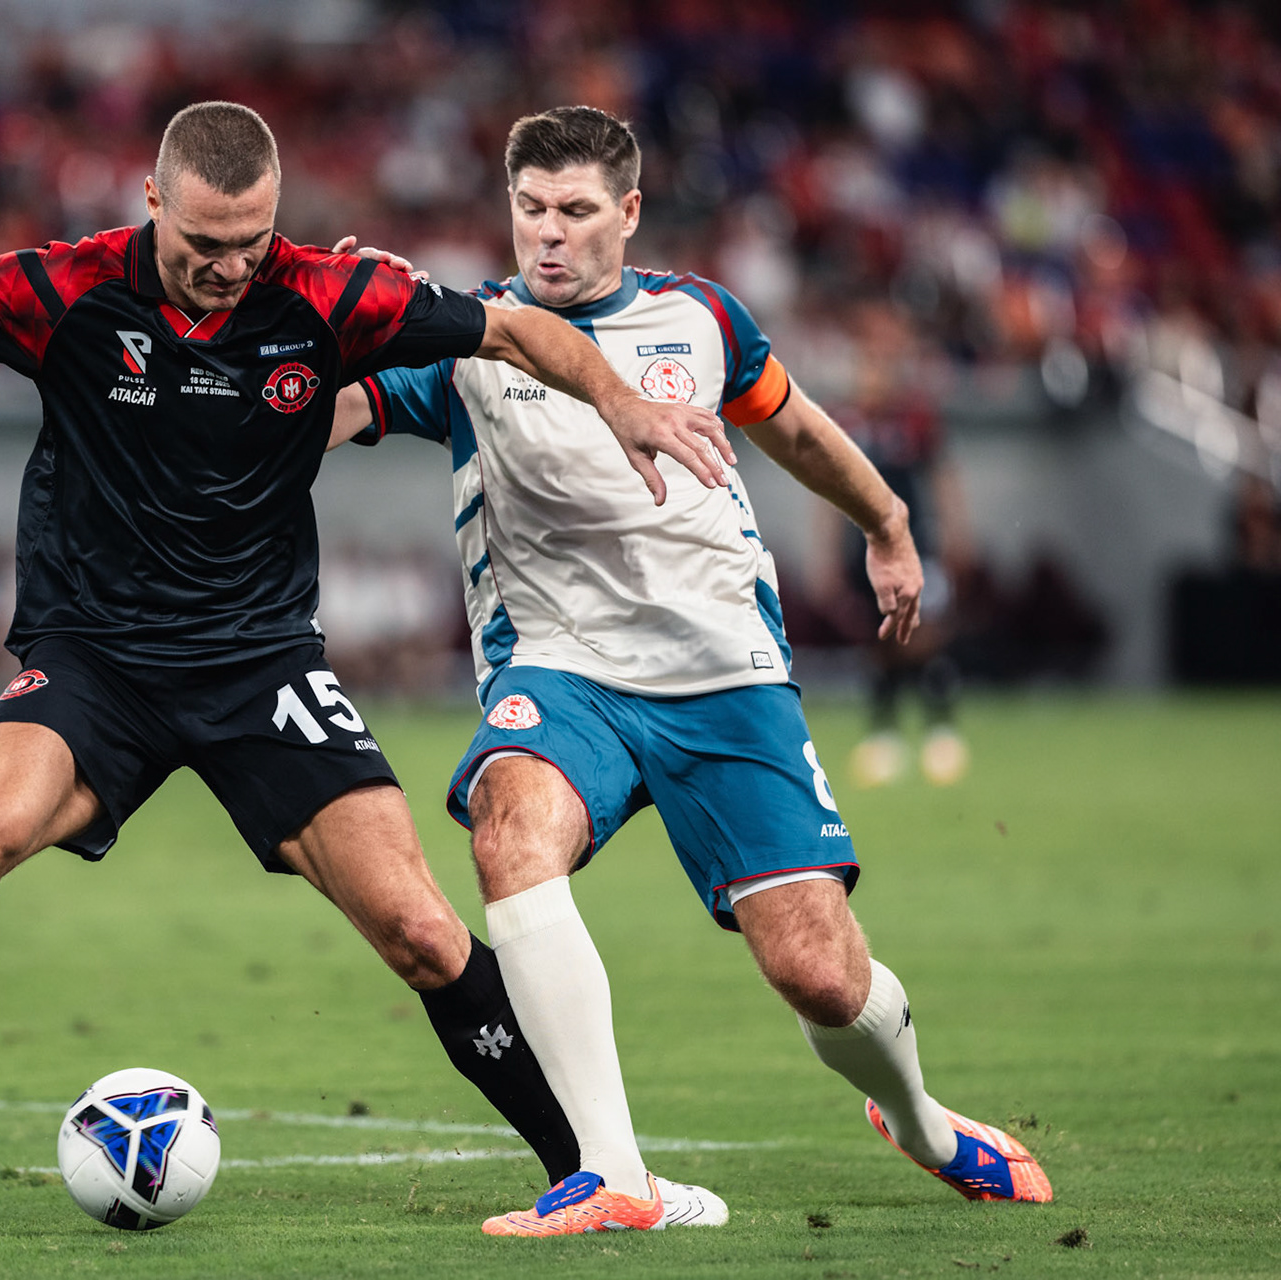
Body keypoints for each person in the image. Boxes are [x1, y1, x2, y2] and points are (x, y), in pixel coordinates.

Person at [0, 101, 738, 1221]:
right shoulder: (66, 288)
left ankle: (594, 1174)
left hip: (261, 660)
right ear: (152, 201)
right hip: (94, 653)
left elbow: (518, 330)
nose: (229, 264)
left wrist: (625, 405)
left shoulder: (331, 294)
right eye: (206, 240)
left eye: (252, 238)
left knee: (422, 927)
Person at [332, 106, 1052, 1235]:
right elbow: (320, 414)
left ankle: (920, 1120)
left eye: (575, 211)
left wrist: (887, 519)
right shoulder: (470, 337)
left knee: (819, 971)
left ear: (627, 212)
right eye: (530, 209)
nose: (549, 235)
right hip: (563, 672)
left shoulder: (700, 317)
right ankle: (615, 1173)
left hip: (726, 676)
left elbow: (796, 426)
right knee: (511, 827)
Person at [827, 301, 975, 788]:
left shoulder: (915, 419)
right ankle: (885, 737)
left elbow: (943, 480)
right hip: (861, 552)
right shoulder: (841, 422)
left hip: (915, 546)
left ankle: (940, 732)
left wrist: (957, 535)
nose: (873, 373)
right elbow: (826, 496)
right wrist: (826, 557)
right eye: (867, 363)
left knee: (924, 635)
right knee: (880, 644)